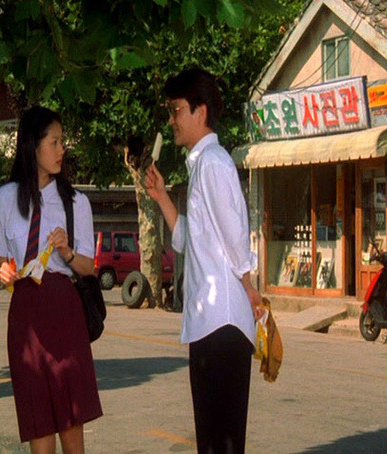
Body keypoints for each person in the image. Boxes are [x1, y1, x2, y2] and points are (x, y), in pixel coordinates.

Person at [145, 68, 264, 453]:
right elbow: (191, 242)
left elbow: (234, 235)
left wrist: (249, 287)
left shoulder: (212, 162)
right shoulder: (201, 164)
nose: (171, 120)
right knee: (212, 440)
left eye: (176, 110)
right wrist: (162, 197)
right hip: (208, 321)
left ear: (201, 111)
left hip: (222, 322)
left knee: (221, 441)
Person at [0, 106, 102, 453]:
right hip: (26, 315)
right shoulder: (2, 199)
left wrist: (66, 252)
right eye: (54, 142)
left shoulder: (75, 202)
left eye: (62, 142)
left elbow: (88, 267)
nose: (61, 150)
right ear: (32, 145)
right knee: (38, 417)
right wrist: (3, 272)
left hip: (65, 313)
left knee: (71, 418)